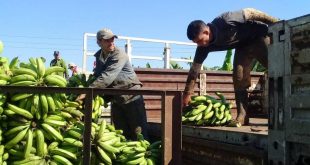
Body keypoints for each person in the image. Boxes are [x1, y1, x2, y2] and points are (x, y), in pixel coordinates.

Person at [183, 8, 279, 126]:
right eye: (196, 42)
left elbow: (252, 13)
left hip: (259, 36)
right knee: (239, 78)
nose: (199, 44)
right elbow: (194, 70)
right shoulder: (203, 47)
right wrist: (187, 93)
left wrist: (277, 24)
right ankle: (242, 116)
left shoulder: (225, 20)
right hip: (242, 46)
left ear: (206, 32)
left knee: (277, 69)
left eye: (200, 40)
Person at [76, 28, 148, 140]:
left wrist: (87, 91)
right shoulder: (99, 56)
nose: (111, 42)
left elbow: (107, 76)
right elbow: (97, 76)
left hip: (131, 96)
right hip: (116, 99)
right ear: (99, 42)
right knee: (122, 133)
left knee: (139, 132)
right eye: (107, 40)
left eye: (112, 39)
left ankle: (146, 154)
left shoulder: (119, 54)